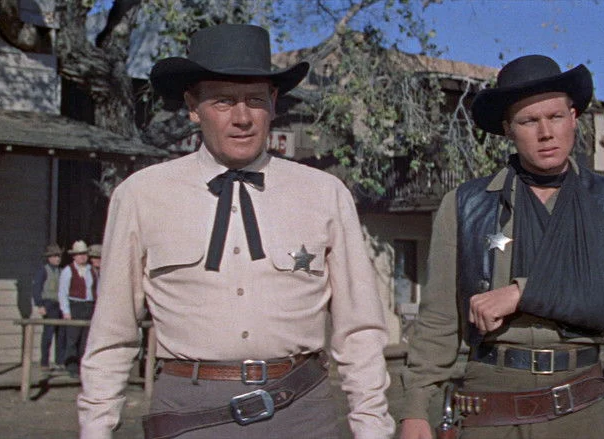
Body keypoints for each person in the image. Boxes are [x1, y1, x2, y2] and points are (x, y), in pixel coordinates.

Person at [77, 24, 395, 438]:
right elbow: (112, 333)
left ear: (274, 104)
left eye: (255, 101)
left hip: (302, 412)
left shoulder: (324, 193)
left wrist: (372, 426)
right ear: (193, 107)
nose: (242, 118)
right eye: (223, 101)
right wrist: (96, 428)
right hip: (190, 414)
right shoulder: (141, 195)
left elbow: (359, 330)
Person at [398, 55, 604, 439]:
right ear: (507, 129)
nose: (545, 133)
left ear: (573, 118)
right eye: (529, 121)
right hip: (490, 403)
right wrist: (415, 408)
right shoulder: (466, 204)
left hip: (578, 404)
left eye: (555, 117)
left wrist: (522, 294)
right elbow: (438, 320)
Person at [59, 240, 98, 379]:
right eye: (79, 254)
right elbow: (62, 292)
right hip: (75, 305)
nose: (82, 257)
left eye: (84, 254)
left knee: (86, 339)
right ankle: (71, 366)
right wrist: (66, 311)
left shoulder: (92, 270)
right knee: (72, 339)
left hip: (89, 306)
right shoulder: (68, 270)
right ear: (74, 256)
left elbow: (97, 290)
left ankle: (83, 367)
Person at [31, 244, 66, 372]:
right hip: (49, 304)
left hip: (60, 304)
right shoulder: (43, 270)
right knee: (48, 333)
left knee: (61, 334)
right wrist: (40, 304)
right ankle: (44, 362)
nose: (57, 259)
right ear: (49, 258)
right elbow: (37, 288)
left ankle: (60, 361)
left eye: (59, 256)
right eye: (55, 256)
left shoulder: (62, 271)